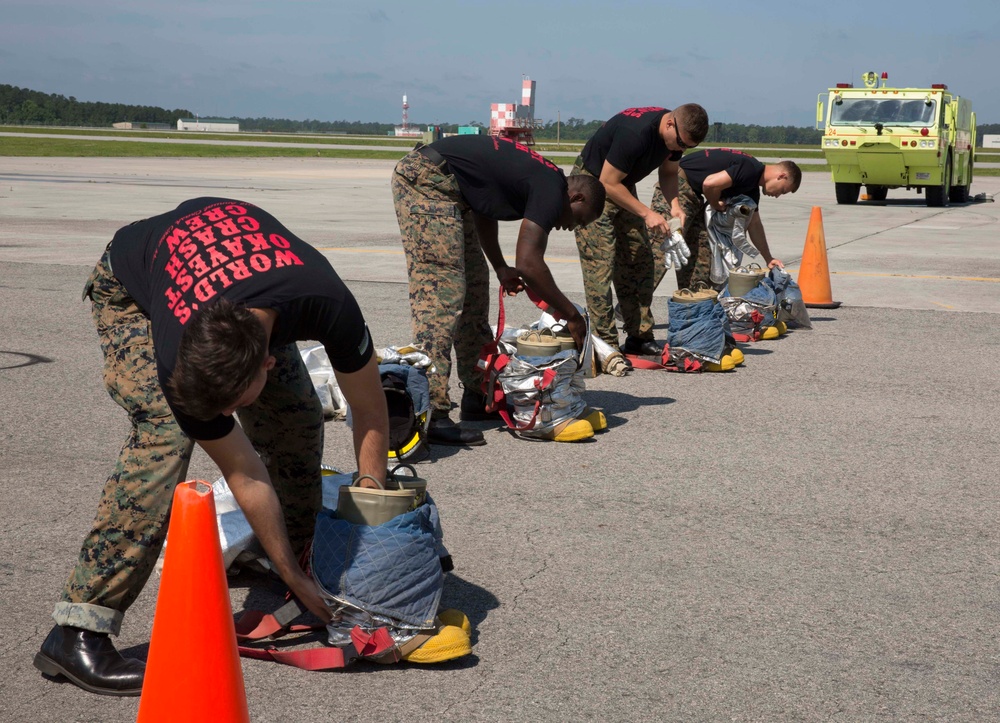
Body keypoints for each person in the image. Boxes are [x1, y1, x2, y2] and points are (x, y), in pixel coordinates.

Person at [34, 198, 390, 696]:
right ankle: (77, 631)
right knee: (165, 431)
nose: (226, 420)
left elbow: (371, 413)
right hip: (132, 285)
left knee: (296, 415)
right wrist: (290, 572)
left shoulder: (328, 303)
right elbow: (244, 472)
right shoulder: (177, 347)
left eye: (232, 407)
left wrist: (372, 514)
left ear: (267, 361)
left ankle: (303, 555)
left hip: (243, 282)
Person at [392, 134, 606, 446]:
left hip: (454, 191)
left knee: (475, 291)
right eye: (579, 221)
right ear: (577, 199)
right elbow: (530, 264)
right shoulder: (550, 188)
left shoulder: (540, 181)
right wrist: (572, 315)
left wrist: (499, 266)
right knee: (441, 297)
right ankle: (431, 413)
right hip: (427, 181)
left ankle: (478, 396)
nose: (571, 228)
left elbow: (484, 206)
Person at [571, 104, 709, 358]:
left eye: (687, 147)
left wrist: (675, 206)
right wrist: (647, 213)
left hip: (621, 186)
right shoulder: (635, 134)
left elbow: (668, 173)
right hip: (590, 187)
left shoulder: (674, 137)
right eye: (680, 143)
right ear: (670, 124)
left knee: (640, 260)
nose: (681, 150)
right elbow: (607, 182)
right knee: (600, 265)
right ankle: (605, 346)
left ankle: (639, 336)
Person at [651, 149, 802, 291]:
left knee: (701, 253)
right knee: (663, 248)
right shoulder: (750, 169)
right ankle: (635, 307)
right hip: (677, 187)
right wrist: (716, 203)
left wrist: (768, 258)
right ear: (782, 176)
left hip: (694, 195)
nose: (777, 195)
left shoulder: (751, 187)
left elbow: (754, 224)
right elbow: (709, 183)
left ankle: (693, 310)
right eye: (782, 190)